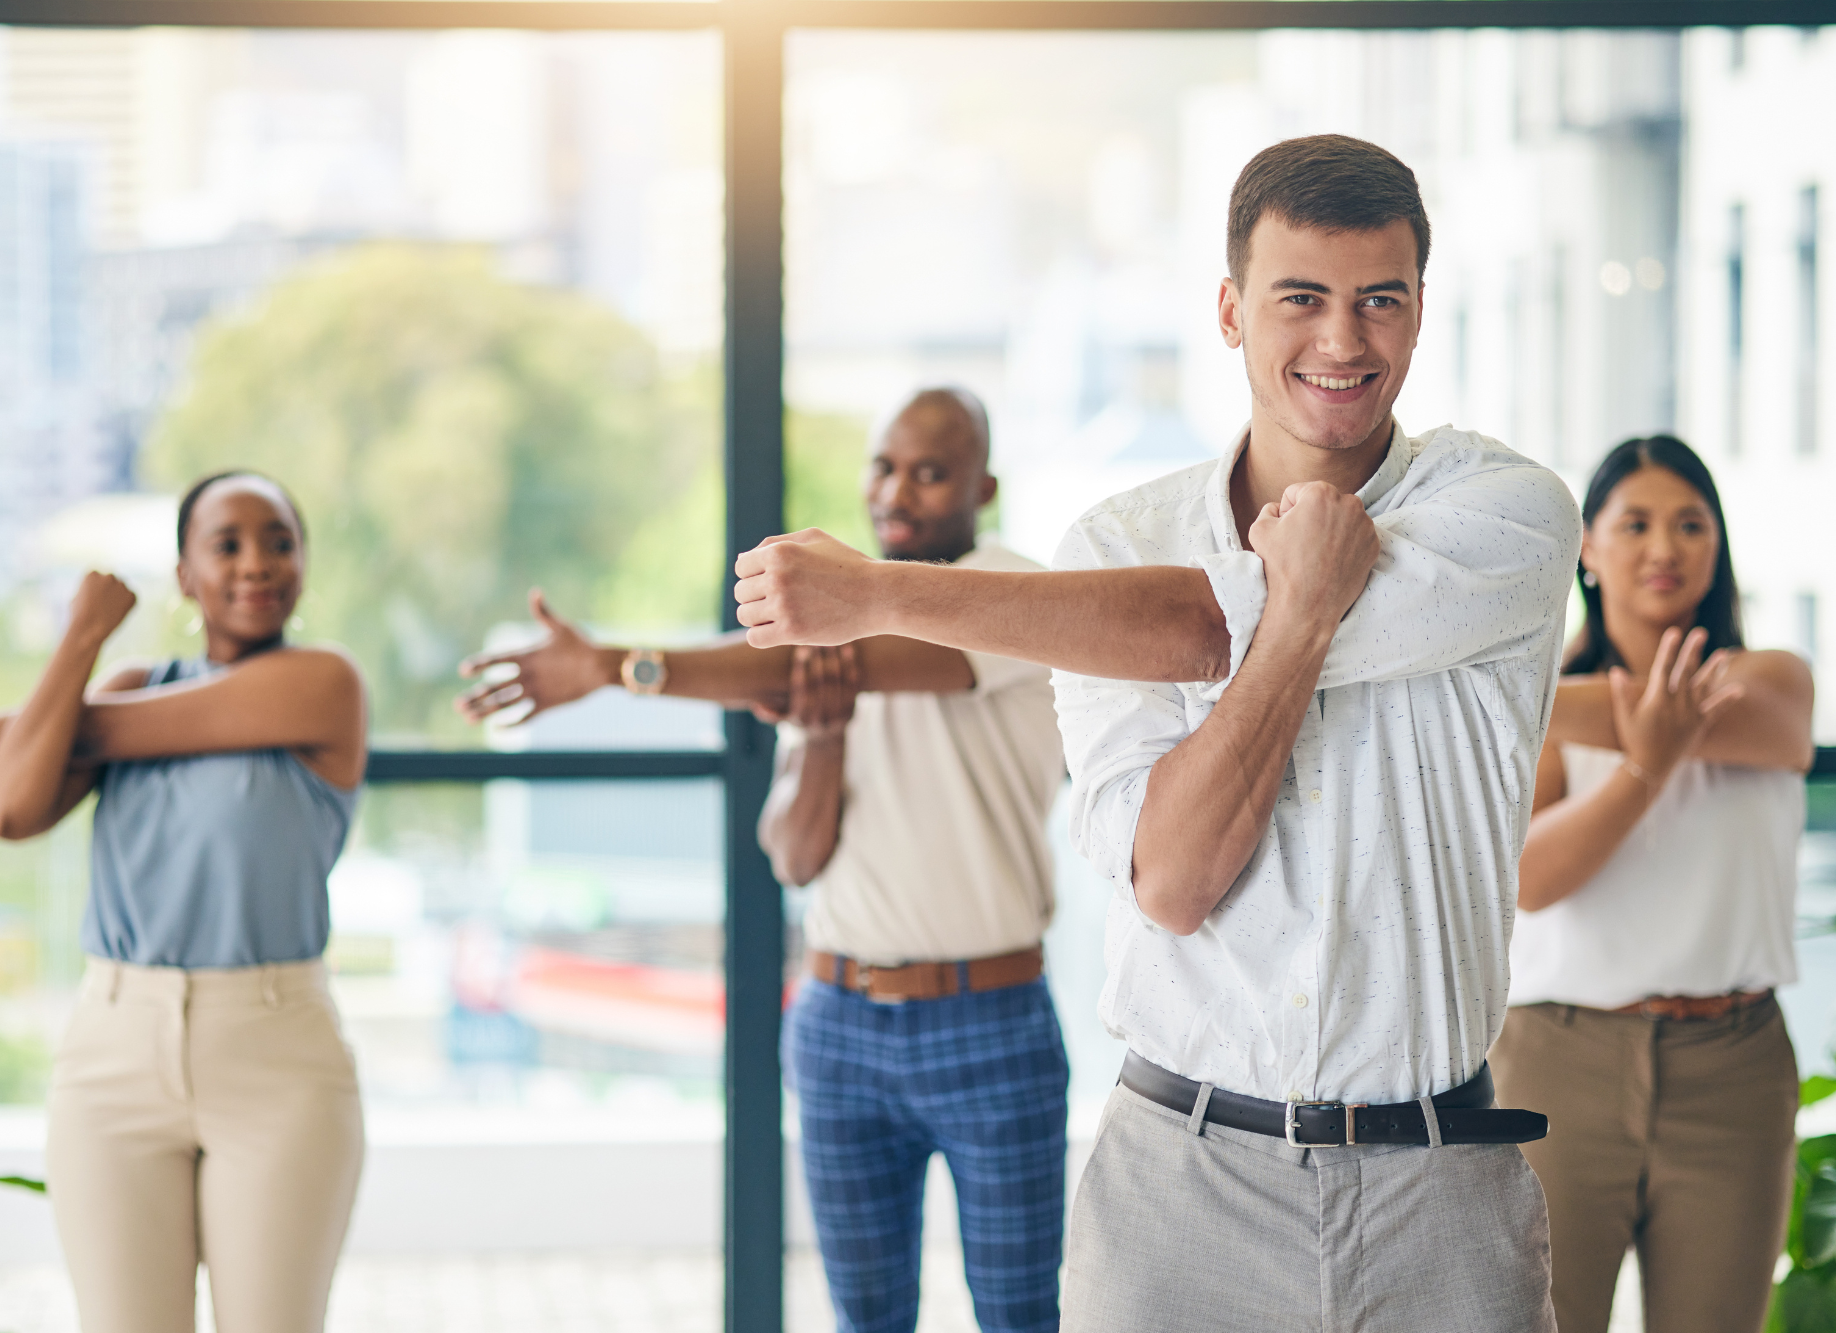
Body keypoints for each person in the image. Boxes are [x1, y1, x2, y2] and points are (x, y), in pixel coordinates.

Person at [730, 135, 1582, 1330]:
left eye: (1377, 300)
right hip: (1180, 1188)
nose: (1342, 341)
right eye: (1301, 298)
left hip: (1437, 1189)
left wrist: (881, 593)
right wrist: (1303, 608)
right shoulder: (1110, 546)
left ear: (1418, 312)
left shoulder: (1504, 512)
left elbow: (1194, 626)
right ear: (1230, 311)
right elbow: (1174, 882)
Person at [456, 387, 1072, 1333]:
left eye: (930, 470)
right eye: (883, 463)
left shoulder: (1006, 594)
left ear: (982, 486)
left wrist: (617, 666)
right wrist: (820, 738)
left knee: (1019, 1316)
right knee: (865, 1319)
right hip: (839, 1022)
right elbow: (794, 854)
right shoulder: (837, 629)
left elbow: (834, 660)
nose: (896, 489)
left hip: (989, 1021)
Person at [0, 471, 369, 1333]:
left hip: (274, 1051)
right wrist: (81, 639)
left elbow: (95, 731)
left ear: (304, 564)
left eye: (279, 541)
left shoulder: (321, 682)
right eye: (226, 544)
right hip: (113, 1047)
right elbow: (14, 808)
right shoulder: (128, 681)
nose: (257, 563)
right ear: (185, 575)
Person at [1491, 436, 1814, 1333]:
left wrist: (1533, 698)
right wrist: (1646, 764)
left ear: (1718, 546)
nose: (1664, 547)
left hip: (1733, 1067)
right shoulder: (1548, 711)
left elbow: (1696, 714)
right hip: (1560, 1059)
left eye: (1689, 523)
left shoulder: (1772, 684)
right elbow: (1530, 882)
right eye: (1634, 524)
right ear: (1587, 547)